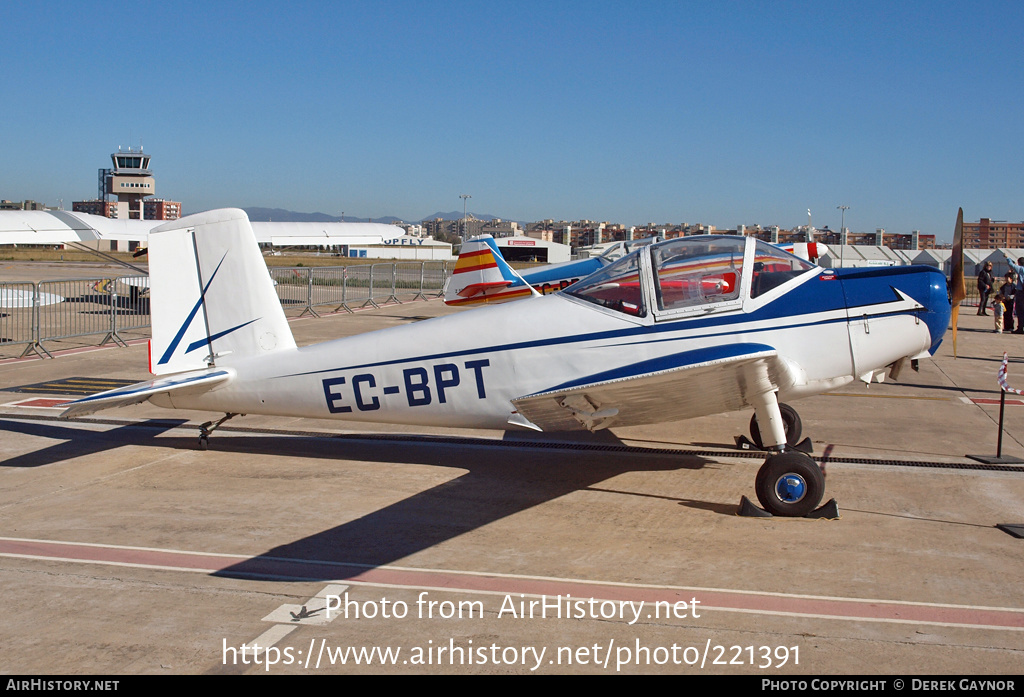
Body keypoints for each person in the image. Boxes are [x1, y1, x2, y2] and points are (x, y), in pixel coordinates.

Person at [1004, 256, 1024, 333]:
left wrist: (1007, 258)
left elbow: (1011, 265)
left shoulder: (1021, 269)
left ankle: (1020, 328)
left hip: (1021, 291)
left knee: (1020, 310)